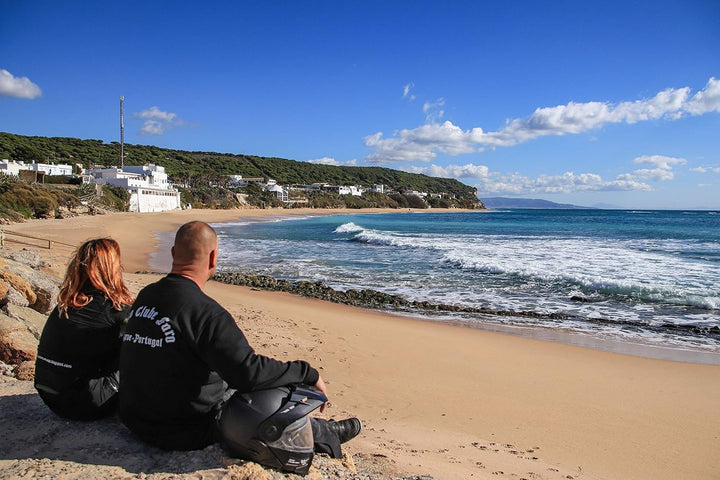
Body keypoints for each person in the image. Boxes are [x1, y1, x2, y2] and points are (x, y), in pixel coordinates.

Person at [119, 221, 360, 473]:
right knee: (262, 395)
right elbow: (248, 373)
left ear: (172, 254)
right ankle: (323, 432)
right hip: (182, 430)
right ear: (213, 257)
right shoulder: (206, 313)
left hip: (136, 420)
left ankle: (320, 429)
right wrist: (306, 372)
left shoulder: (147, 296)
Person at [34, 237, 134, 420]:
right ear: (112, 269)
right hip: (87, 403)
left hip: (49, 394)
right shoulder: (113, 310)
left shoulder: (66, 304)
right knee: (143, 349)